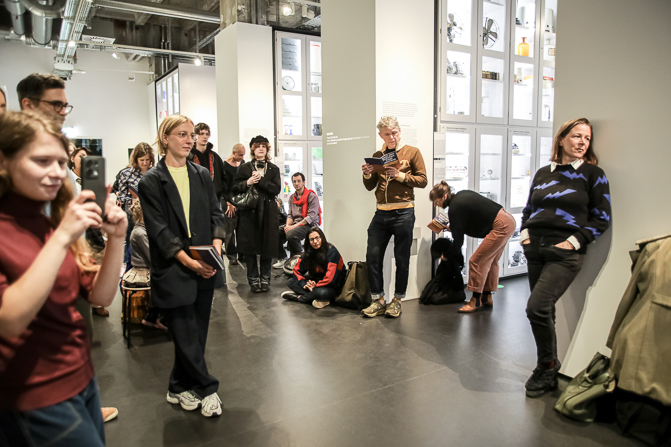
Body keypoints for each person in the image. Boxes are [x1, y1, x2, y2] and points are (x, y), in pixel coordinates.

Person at [0, 110, 126, 446]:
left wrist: (117, 238)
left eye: (60, 162)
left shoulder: (49, 222)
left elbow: (100, 296)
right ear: (4, 162)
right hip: (36, 392)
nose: (57, 173)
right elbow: (9, 320)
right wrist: (63, 237)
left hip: (81, 377)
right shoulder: (31, 229)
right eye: (42, 161)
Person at [138, 114, 226, 418]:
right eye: (182, 134)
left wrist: (215, 249)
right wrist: (188, 261)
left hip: (205, 263)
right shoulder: (151, 181)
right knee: (185, 333)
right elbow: (159, 230)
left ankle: (177, 385)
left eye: (191, 135)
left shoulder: (201, 174)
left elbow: (216, 214)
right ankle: (208, 388)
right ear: (165, 138)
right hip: (174, 267)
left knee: (196, 333)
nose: (190, 140)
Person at [520, 118, 611, 398]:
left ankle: (547, 366)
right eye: (576, 136)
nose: (582, 142)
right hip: (535, 249)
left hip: (564, 253)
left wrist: (573, 242)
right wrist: (525, 236)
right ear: (561, 139)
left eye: (587, 138)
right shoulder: (542, 173)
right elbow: (529, 209)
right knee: (546, 311)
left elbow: (602, 218)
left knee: (536, 308)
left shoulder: (593, 174)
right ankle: (547, 368)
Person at [360, 116, 427, 318]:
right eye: (387, 134)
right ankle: (378, 300)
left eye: (394, 133)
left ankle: (397, 300)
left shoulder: (412, 152)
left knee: (402, 258)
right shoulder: (378, 155)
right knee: (372, 256)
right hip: (381, 212)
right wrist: (367, 174)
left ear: (400, 131)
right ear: (381, 135)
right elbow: (370, 186)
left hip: (404, 212)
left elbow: (423, 180)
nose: (392, 137)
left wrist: (400, 176)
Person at [429, 182, 516, 312]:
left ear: (444, 197)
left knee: (476, 261)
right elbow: (471, 218)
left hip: (500, 225)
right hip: (507, 219)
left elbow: (458, 241)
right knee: (491, 261)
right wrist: (453, 228)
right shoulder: (460, 197)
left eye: (437, 201)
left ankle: (475, 301)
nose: (437, 205)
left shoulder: (454, 208)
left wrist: (446, 255)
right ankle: (486, 297)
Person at [232, 135, 281, 293]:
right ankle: (253, 280)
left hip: (268, 212)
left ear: (267, 149)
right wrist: (247, 182)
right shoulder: (244, 168)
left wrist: (261, 180)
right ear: (253, 149)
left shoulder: (274, 169)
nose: (261, 149)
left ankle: (265, 279)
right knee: (250, 248)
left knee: (268, 246)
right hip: (249, 212)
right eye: (258, 146)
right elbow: (234, 188)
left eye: (263, 146)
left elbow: (276, 189)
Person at [122, 199, 166, 330]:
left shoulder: (142, 230)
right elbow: (151, 256)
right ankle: (161, 318)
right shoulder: (140, 233)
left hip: (146, 268)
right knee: (167, 279)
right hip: (142, 271)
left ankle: (152, 317)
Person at [282, 226, 345, 309]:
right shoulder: (308, 253)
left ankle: (300, 298)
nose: (315, 242)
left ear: (322, 238)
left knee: (321, 292)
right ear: (308, 241)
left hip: (332, 286)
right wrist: (305, 284)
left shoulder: (332, 251)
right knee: (290, 282)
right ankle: (318, 298)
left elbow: (330, 279)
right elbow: (296, 270)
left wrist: (315, 286)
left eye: (317, 238)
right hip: (315, 283)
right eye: (312, 240)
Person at [115, 143, 155, 266]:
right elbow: (121, 197)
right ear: (136, 159)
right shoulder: (126, 174)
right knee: (131, 240)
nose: (145, 163)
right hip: (133, 212)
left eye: (147, 160)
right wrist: (133, 201)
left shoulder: (155, 172)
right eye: (142, 160)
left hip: (151, 210)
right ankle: (129, 264)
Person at [274, 172, 322, 268]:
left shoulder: (311, 196)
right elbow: (290, 215)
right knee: (275, 232)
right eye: (294, 181)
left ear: (304, 182)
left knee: (291, 234)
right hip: (296, 224)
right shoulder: (292, 197)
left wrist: (292, 227)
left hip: (309, 225)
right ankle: (282, 258)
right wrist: (287, 226)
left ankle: (300, 261)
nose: (296, 183)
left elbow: (310, 217)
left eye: (299, 181)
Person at [221, 143, 246, 265]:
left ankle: (242, 254)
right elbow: (223, 187)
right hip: (228, 200)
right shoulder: (224, 166)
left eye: (243, 155)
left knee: (241, 228)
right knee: (230, 230)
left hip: (240, 200)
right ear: (234, 153)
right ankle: (231, 255)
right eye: (240, 155)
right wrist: (229, 203)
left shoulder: (242, 164)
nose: (242, 157)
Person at [188, 122, 226, 201]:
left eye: (207, 134)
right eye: (201, 134)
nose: (205, 136)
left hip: (214, 198)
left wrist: (223, 195)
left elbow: (223, 177)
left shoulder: (215, 157)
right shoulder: (189, 157)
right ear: (195, 136)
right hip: (195, 198)